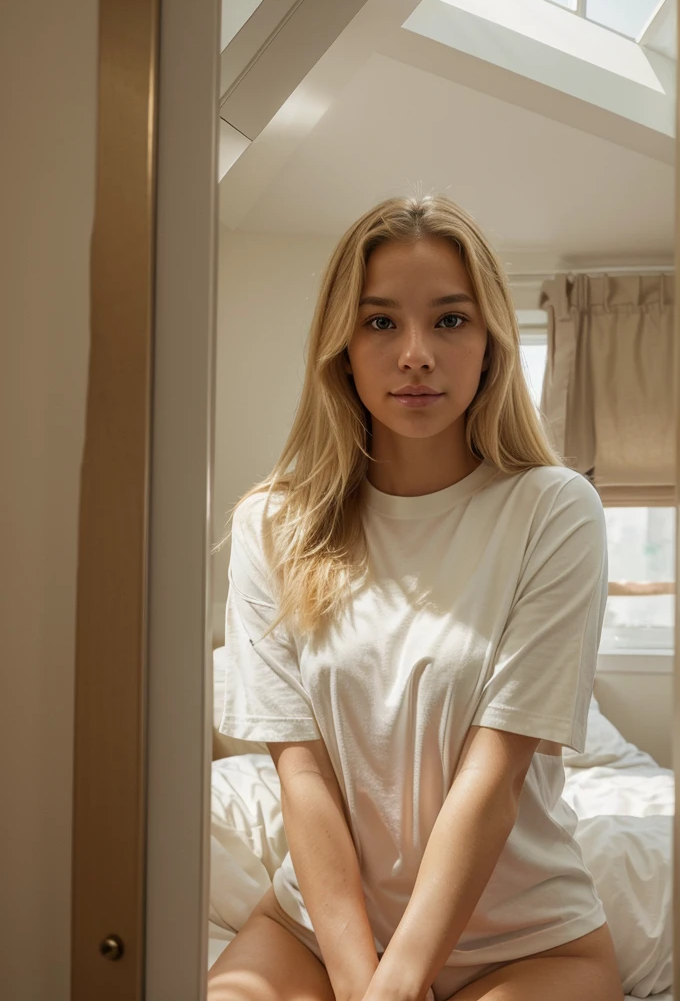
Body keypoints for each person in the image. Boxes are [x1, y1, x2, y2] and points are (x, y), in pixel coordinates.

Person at [208, 195, 624, 1001]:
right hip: (314, 931)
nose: (416, 354)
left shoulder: (554, 508)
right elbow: (305, 778)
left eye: (450, 321)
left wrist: (396, 989)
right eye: (380, 323)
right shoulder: (272, 524)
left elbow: (494, 777)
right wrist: (361, 976)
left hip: (524, 945)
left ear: (492, 343)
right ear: (342, 348)